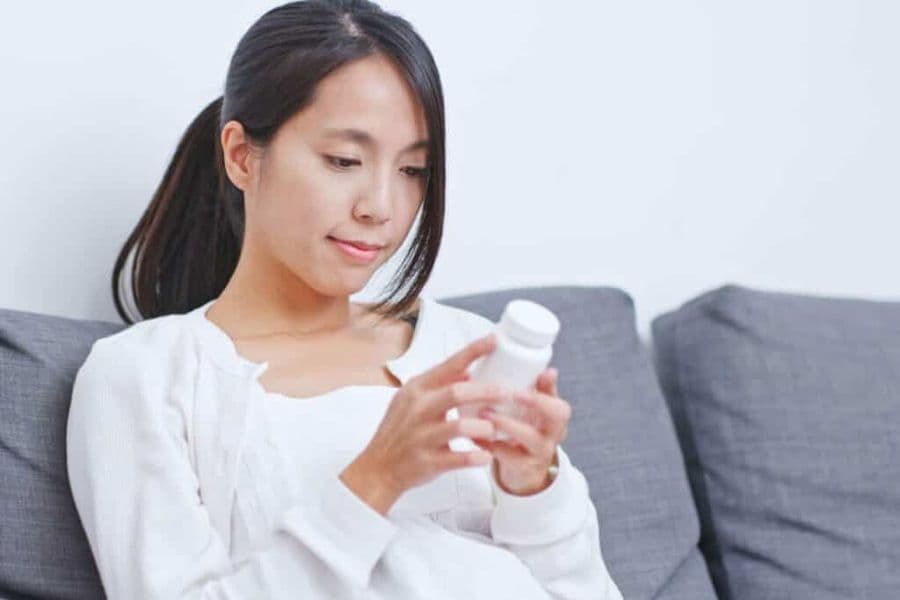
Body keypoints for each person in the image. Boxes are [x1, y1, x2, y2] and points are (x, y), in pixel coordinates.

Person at [65, 1, 624, 598]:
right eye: (344, 161)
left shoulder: (465, 347)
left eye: (413, 170)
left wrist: (533, 487)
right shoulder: (147, 376)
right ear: (241, 156)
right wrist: (375, 480)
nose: (380, 206)